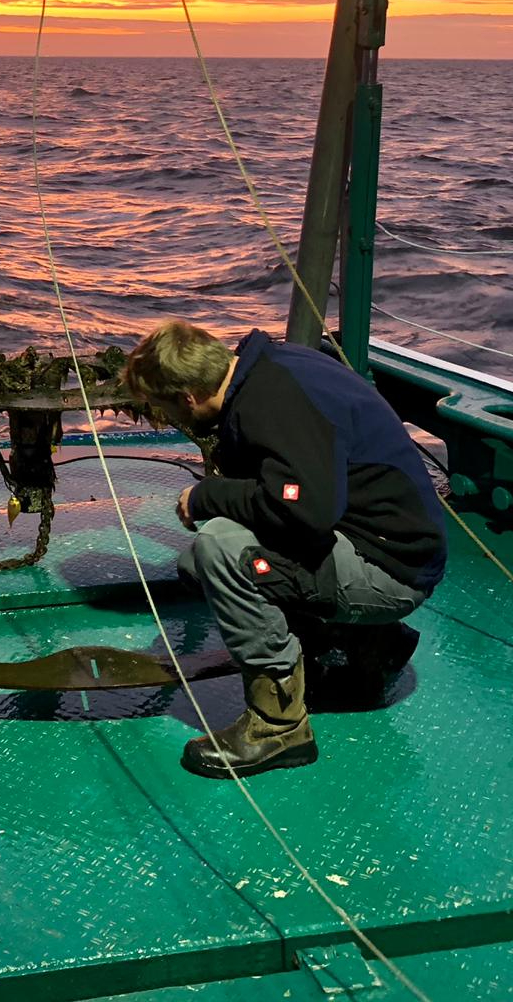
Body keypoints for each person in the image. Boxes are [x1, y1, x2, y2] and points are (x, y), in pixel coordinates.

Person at [124, 321, 447, 780]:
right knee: (197, 563)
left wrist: (204, 497)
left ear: (188, 398)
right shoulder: (270, 367)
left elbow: (307, 510)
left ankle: (278, 727)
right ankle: (373, 642)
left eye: (162, 408)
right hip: (389, 546)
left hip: (390, 570)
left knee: (220, 550)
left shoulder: (271, 405)